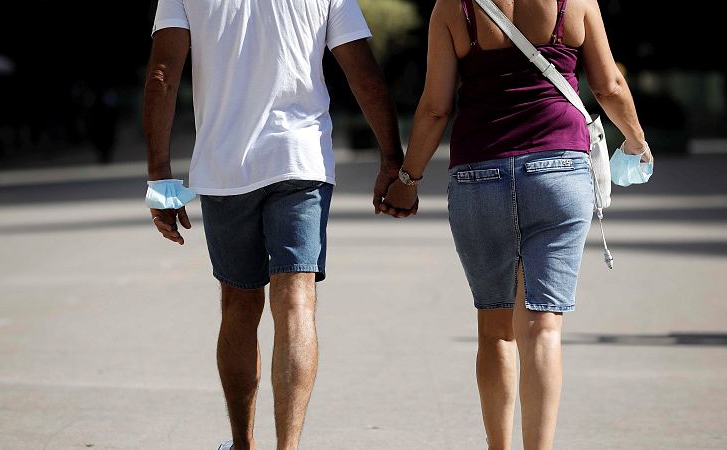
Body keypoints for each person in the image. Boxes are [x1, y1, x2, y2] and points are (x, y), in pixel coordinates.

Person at [381, 0, 651, 448]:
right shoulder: (577, 2)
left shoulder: (452, 7)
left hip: (478, 171)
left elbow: (434, 108)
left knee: (494, 327)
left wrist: (408, 179)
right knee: (544, 327)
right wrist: (638, 142)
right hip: (559, 171)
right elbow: (609, 87)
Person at [143, 1, 404, 449]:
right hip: (301, 160)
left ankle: (243, 445)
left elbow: (162, 76)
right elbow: (364, 76)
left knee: (239, 305)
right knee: (297, 302)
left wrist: (160, 178)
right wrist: (392, 160)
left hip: (226, 169)